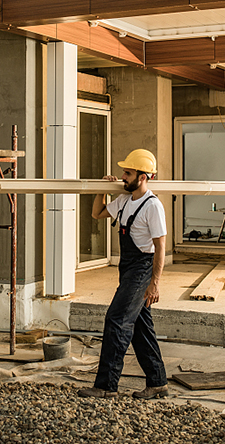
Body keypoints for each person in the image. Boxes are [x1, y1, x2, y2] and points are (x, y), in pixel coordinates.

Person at [78, 149, 169, 399]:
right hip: (127, 268)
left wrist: (155, 284)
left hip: (142, 269)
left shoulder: (153, 206)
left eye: (127, 173)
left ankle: (106, 386)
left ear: (142, 177)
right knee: (140, 325)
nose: (123, 176)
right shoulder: (124, 201)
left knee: (116, 320)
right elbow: (97, 214)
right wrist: (102, 190)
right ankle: (158, 382)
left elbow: (160, 247)